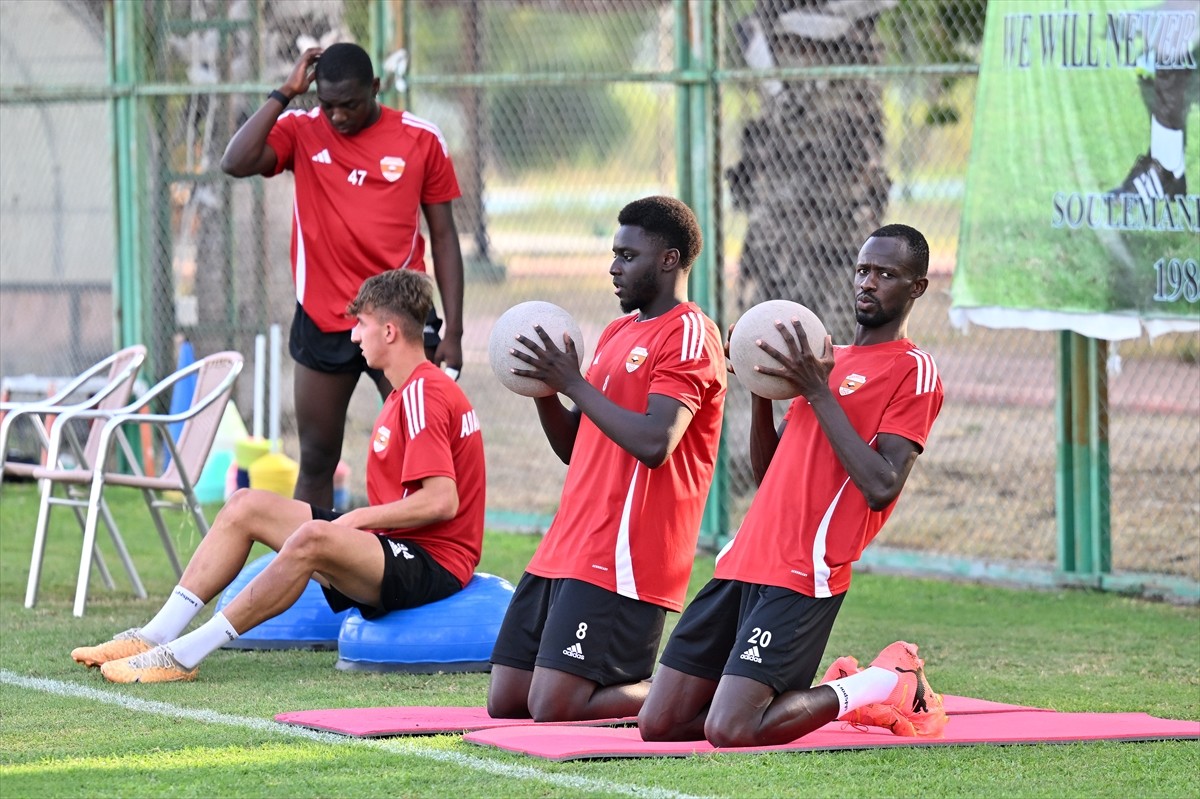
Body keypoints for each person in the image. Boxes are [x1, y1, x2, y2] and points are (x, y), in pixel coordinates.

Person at [71, 269, 485, 684]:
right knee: (244, 505)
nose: (355, 337)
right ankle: (153, 636)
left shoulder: (422, 395)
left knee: (311, 537)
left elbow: (441, 501)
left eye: (362, 325)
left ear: (390, 331)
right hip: (396, 547)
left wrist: (357, 519)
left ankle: (181, 655)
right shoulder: (409, 392)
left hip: (434, 563)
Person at [638, 223, 946, 747]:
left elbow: (882, 484)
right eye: (863, 270)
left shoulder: (912, 370)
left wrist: (817, 391)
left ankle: (883, 682)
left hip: (805, 572)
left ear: (916, 287)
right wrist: (759, 386)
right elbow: (769, 473)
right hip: (743, 562)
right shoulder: (826, 360)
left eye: (886, 274)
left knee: (731, 729)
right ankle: (802, 695)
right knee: (657, 724)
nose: (868, 283)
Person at [486, 196, 727, 722]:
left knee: (552, 706)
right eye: (613, 254)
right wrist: (547, 391)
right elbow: (578, 446)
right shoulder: (619, 332)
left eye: (627, 255)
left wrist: (572, 381)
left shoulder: (690, 333)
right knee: (506, 699)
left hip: (625, 551)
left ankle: (692, 693)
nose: (614, 268)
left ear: (668, 259)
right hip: (569, 539)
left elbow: (654, 443)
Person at [221, 41, 465, 508]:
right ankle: (307, 567)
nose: (336, 116)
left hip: (402, 319)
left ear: (374, 88)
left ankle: (420, 565)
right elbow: (234, 162)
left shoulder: (420, 138)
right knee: (316, 458)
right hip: (324, 315)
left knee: (422, 453)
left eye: (349, 104)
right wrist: (286, 92)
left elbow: (445, 237)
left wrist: (452, 330)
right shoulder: (301, 128)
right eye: (327, 104)